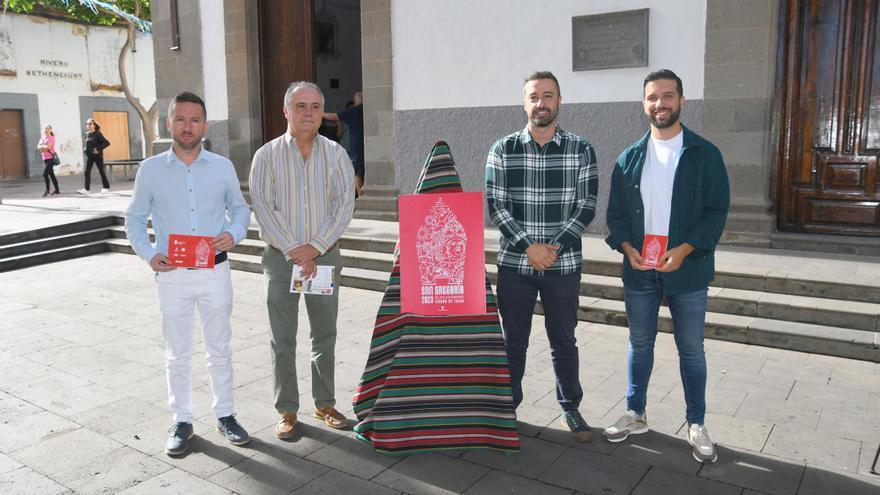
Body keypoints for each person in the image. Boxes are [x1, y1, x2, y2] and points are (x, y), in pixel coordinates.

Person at [603, 69, 730, 463]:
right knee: (639, 344)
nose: (661, 103)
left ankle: (696, 423)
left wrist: (687, 248)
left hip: (686, 270)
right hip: (640, 268)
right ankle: (635, 413)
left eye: (668, 96)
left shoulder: (704, 154)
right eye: (653, 97)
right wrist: (627, 248)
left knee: (691, 349)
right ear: (644, 104)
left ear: (682, 101)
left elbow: (716, 211)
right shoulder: (629, 158)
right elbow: (617, 215)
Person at [124, 91, 252, 456]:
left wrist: (235, 232)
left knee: (220, 347)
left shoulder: (222, 166)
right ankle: (181, 420)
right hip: (173, 275)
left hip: (215, 273)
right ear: (169, 123)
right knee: (177, 352)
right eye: (180, 119)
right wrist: (149, 254)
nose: (187, 126)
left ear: (205, 125)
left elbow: (240, 209)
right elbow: (133, 217)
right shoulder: (150, 170)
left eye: (194, 120)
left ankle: (225, 414)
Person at [485, 71, 598, 442]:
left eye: (548, 96)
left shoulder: (581, 149)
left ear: (559, 101)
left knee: (563, 339)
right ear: (524, 102)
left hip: (562, 267)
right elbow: (497, 206)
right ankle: (507, 406)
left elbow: (586, 206)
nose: (541, 103)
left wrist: (552, 249)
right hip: (515, 266)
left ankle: (571, 407)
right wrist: (528, 247)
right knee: (513, 341)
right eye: (534, 96)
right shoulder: (503, 149)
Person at [249, 81, 355, 439]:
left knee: (324, 333)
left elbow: (344, 204)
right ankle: (287, 410)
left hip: (324, 259)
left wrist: (316, 247)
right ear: (286, 111)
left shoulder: (336, 154)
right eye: (300, 106)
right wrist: (297, 249)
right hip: (281, 260)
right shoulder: (266, 156)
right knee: (283, 339)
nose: (308, 112)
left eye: (314, 106)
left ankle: (324, 403)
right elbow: (264, 208)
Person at [322, 90, 364, 196]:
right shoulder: (367, 110)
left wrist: (319, 114)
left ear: (356, 99)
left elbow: (335, 116)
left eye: (355, 99)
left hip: (356, 146)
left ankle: (361, 197)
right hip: (366, 145)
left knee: (356, 172)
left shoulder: (353, 110)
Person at [77, 118, 111, 195]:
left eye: (90, 124)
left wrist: (98, 149)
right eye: (87, 124)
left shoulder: (97, 134)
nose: (88, 125)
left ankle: (106, 187)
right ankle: (86, 189)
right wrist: (85, 149)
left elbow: (107, 143)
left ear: (94, 125)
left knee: (101, 171)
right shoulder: (86, 134)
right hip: (90, 156)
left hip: (98, 156)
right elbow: (88, 144)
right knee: (87, 172)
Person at [37, 125, 60, 197]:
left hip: (51, 158)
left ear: (50, 130)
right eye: (45, 129)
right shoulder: (42, 138)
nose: (46, 130)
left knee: (45, 174)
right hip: (45, 159)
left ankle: (47, 190)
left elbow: (48, 147)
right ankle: (57, 190)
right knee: (51, 174)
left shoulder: (52, 138)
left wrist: (42, 147)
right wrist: (43, 147)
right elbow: (38, 147)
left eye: (47, 129)